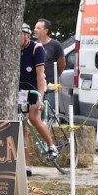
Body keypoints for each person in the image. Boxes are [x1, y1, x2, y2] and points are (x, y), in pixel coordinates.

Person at [20, 23, 57, 177]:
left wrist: (40, 98)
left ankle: (51, 146)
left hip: (36, 86)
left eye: (20, 35)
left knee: (34, 118)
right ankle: (26, 166)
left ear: (27, 36)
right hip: (21, 89)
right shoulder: (13, 49)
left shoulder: (36, 48)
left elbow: (40, 75)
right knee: (22, 127)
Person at [34, 19, 65, 112]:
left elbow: (62, 64)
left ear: (46, 31)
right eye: (35, 27)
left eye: (38, 28)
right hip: (37, 86)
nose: (35, 30)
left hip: (50, 86)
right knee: (37, 112)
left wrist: (55, 76)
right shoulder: (34, 45)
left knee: (51, 113)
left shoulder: (55, 45)